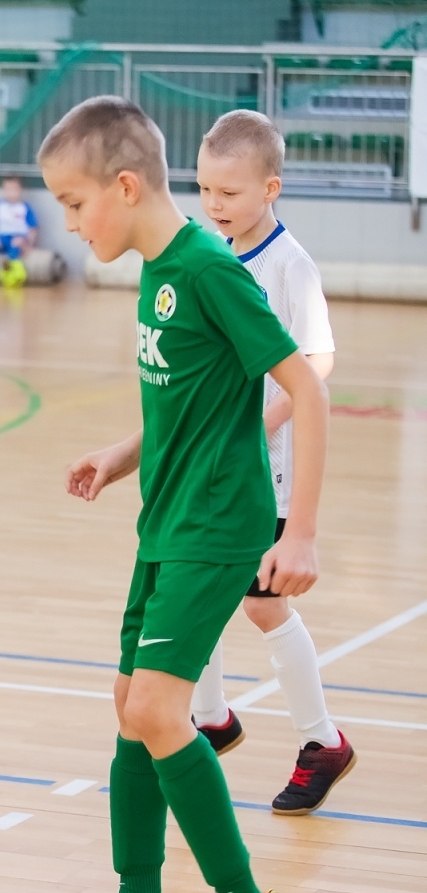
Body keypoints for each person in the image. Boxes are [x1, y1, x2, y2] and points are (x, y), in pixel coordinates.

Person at [39, 96, 329, 893]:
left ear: (125, 187)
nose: (70, 221)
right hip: (165, 514)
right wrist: (122, 457)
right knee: (131, 703)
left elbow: (305, 392)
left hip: (220, 523)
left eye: (75, 203)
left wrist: (304, 531)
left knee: (162, 710)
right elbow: (193, 402)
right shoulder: (156, 269)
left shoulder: (208, 270)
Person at [191, 109, 354, 813]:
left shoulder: (290, 264)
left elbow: (317, 359)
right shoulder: (208, 251)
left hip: (266, 467)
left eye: (229, 193)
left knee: (261, 607)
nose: (214, 204)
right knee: (188, 586)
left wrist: (270, 416)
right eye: (204, 190)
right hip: (211, 460)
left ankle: (323, 741)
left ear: (271, 188)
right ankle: (208, 720)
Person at [0, 176, 38, 287]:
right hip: (2, 237)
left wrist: (29, 245)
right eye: (7, 189)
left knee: (16, 242)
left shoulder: (24, 207)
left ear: (20, 190)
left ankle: (12, 273)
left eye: (14, 189)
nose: (11, 193)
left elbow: (33, 229)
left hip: (18, 237)